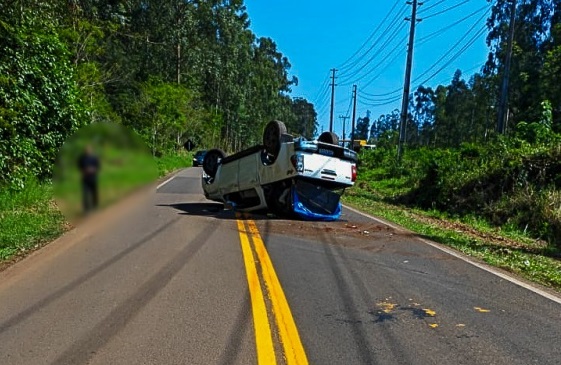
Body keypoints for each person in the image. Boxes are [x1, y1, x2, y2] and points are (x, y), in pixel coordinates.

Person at [78, 145, 100, 213]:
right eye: (86, 150)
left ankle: (95, 206)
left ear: (91, 150)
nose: (87, 151)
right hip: (85, 178)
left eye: (89, 150)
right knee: (85, 194)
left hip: (93, 177)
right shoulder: (82, 158)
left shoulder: (94, 158)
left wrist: (93, 169)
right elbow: (79, 166)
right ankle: (86, 209)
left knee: (94, 192)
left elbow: (98, 166)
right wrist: (84, 170)